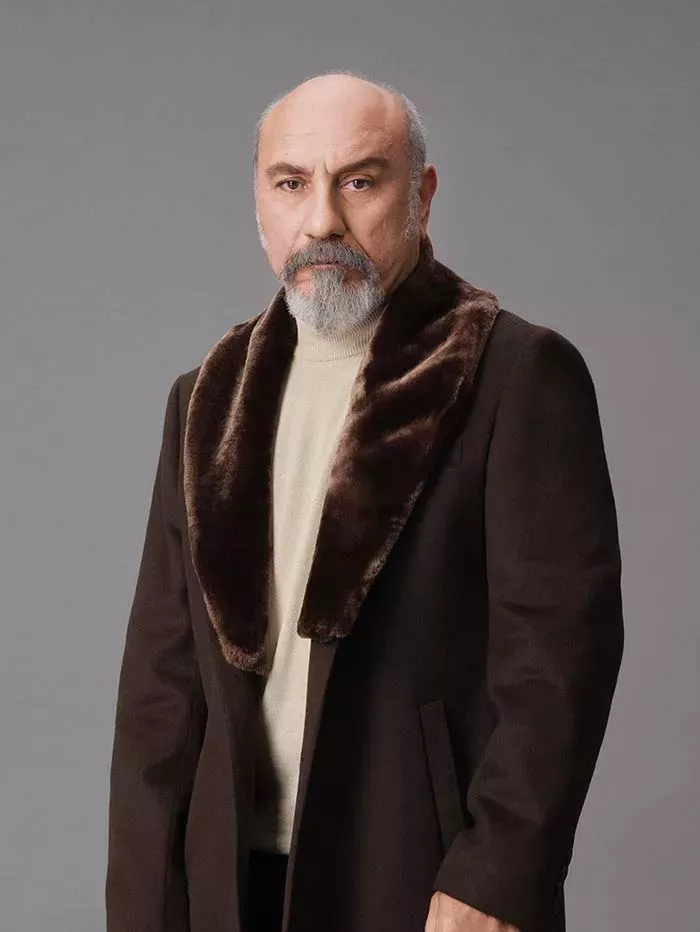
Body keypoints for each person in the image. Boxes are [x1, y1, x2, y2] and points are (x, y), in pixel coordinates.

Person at [106, 70, 624, 932]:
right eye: (290, 183)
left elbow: (560, 661)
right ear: (258, 201)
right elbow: (160, 692)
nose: (321, 221)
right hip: (226, 890)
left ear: (421, 194)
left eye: (358, 181)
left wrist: (498, 879)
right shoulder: (205, 398)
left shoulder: (516, 374)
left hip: (421, 883)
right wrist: (142, 910)